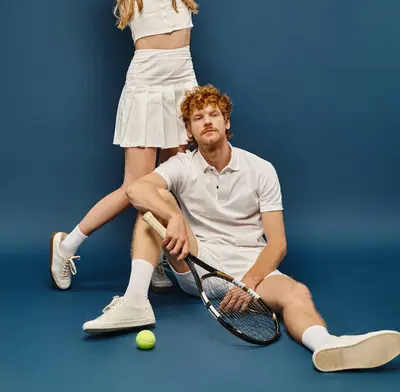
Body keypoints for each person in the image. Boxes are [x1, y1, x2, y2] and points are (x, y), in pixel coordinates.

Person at [82, 84, 400, 373]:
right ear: (189, 131)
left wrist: (248, 282)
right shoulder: (181, 164)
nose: (207, 121)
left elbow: (277, 244)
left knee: (297, 292)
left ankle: (325, 344)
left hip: (250, 267)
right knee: (153, 201)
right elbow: (135, 191)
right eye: (198, 118)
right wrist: (174, 216)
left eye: (214, 114)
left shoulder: (261, 170)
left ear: (227, 122)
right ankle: (136, 301)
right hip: (196, 260)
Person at [50, 0, 198, 293]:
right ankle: (67, 245)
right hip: (148, 84)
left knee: (174, 183)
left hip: (184, 83)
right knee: (136, 184)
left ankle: (152, 257)